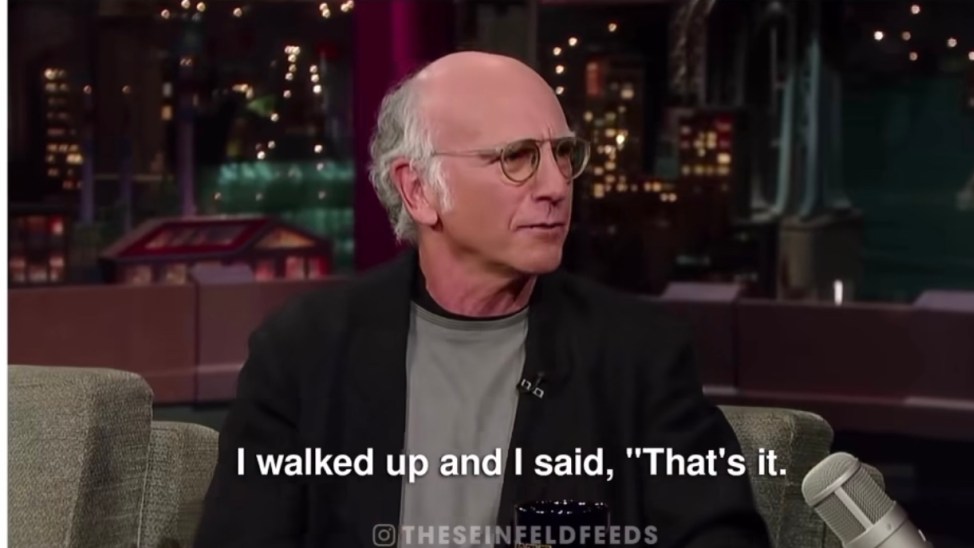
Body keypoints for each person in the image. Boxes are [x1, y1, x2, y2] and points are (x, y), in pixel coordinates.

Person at [194, 51, 771, 547]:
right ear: (419, 189)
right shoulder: (303, 354)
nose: (555, 186)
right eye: (517, 157)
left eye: (563, 154)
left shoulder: (639, 357)